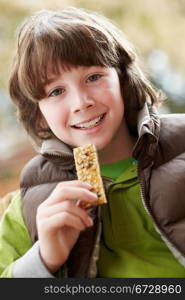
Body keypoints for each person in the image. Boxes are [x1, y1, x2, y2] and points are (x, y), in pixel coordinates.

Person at [0, 7, 185, 278]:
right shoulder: (29, 204)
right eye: (56, 91)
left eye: (93, 77)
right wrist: (43, 258)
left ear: (123, 80)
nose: (81, 102)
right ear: (38, 114)